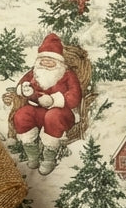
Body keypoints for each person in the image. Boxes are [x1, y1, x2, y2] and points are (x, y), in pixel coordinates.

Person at [12, 33, 82, 175]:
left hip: (61, 111)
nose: (46, 63)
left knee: (53, 116)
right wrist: (25, 89)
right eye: (44, 60)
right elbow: (21, 85)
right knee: (21, 116)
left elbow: (75, 96)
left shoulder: (67, 74)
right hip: (37, 109)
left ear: (59, 62)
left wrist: (53, 100)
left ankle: (49, 158)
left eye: (51, 60)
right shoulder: (34, 72)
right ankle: (32, 154)